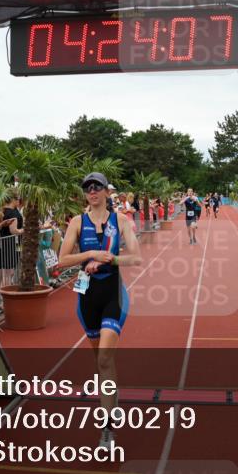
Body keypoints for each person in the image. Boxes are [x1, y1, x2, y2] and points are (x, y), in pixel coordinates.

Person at [58, 172, 141, 448]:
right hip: (87, 297)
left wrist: (111, 258)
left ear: (107, 191)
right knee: (101, 361)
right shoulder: (77, 223)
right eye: (87, 188)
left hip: (112, 294)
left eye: (97, 187)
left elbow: (137, 257)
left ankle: (107, 428)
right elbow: (62, 261)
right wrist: (89, 255)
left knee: (105, 358)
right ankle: (111, 397)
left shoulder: (122, 221)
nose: (92, 191)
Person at [0, 195, 23, 286]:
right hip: (11, 245)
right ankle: (5, 298)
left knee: (1, 276)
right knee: (8, 274)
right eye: (18, 199)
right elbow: (14, 231)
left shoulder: (3, 210)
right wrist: (25, 229)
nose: (19, 201)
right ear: (13, 200)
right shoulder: (12, 213)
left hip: (3, 245)